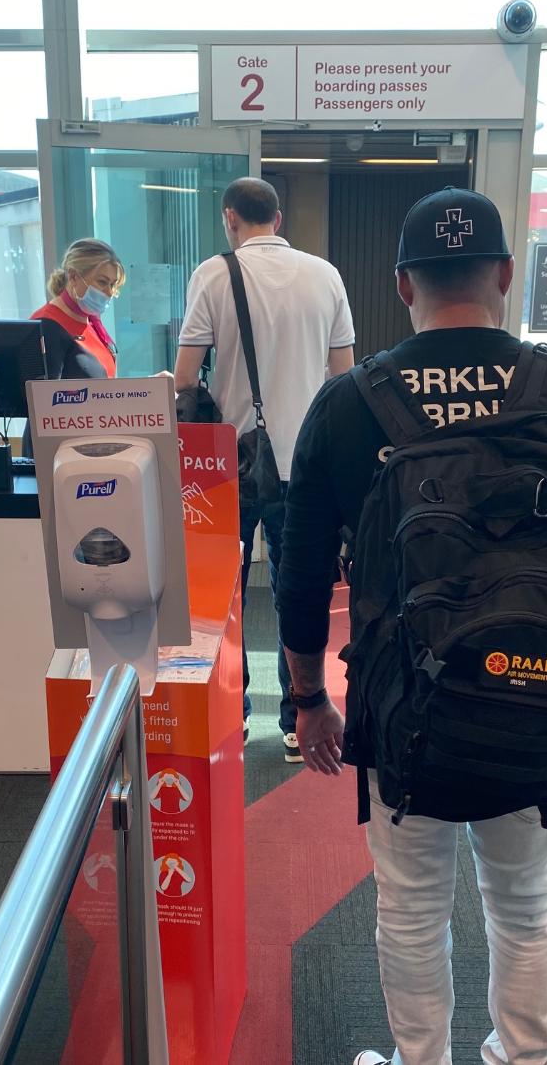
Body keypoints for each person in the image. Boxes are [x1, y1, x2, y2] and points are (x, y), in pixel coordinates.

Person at [275, 188, 547, 1065]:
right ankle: (524, 1059)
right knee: (525, 901)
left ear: (403, 285)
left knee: (409, 905)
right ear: (507, 275)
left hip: (406, 705)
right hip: (543, 694)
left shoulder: (351, 402)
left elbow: (301, 567)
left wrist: (306, 698)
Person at [174, 177, 355, 759]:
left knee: (223, 591)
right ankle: (295, 719)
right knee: (296, 588)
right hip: (306, 460)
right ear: (278, 218)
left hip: (233, 460)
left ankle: (233, 713)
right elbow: (343, 375)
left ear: (232, 218)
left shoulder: (212, 274)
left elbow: (182, 380)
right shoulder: (325, 275)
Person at [22, 238, 126, 457]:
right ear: (73, 276)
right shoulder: (46, 325)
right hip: (62, 454)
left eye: (112, 285)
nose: (108, 292)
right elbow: (46, 408)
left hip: (95, 444)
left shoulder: (91, 322)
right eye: (102, 282)